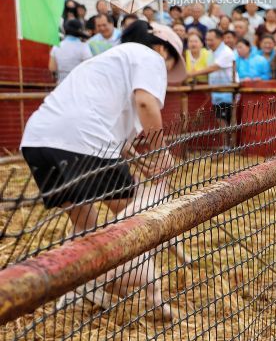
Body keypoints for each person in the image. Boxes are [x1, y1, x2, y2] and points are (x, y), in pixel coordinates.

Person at [20, 20, 184, 235]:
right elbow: (145, 102)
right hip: (84, 140)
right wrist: (162, 152)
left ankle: (70, 267)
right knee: (137, 211)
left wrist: (138, 160)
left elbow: (110, 124)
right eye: (170, 65)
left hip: (38, 141)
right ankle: (135, 266)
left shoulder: (108, 61)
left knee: (85, 224)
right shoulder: (151, 57)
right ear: (163, 49)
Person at [186, 28, 238, 128]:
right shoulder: (211, 52)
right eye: (207, 40)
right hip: (216, 93)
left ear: (220, 39)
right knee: (221, 122)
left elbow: (212, 68)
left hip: (228, 93)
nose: (208, 42)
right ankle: (226, 143)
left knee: (230, 122)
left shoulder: (226, 52)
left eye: (211, 40)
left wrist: (191, 74)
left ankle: (230, 144)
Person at [51, 19, 93, 84]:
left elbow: (52, 68)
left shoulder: (56, 47)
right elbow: (89, 67)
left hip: (61, 85)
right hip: (78, 84)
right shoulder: (83, 46)